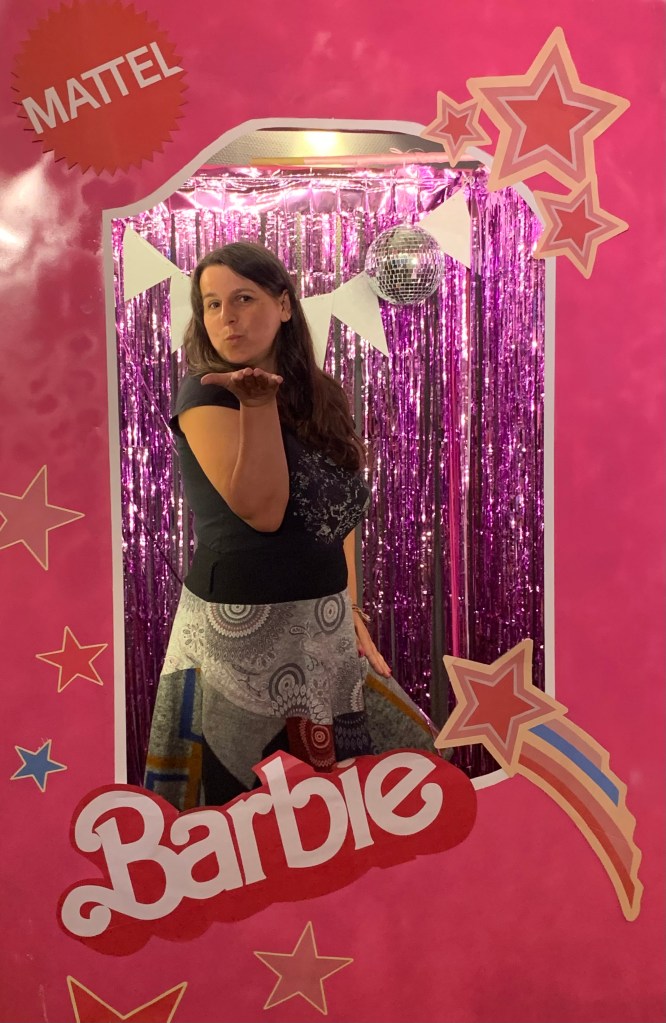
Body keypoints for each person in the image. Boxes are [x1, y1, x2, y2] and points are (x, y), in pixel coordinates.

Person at [144, 242, 438, 811]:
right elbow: (263, 510)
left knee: (363, 795)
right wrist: (256, 405)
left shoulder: (320, 396)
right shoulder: (206, 394)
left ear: (283, 305)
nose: (226, 317)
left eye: (243, 298)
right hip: (239, 635)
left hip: (320, 625)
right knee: (249, 813)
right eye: (211, 304)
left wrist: (350, 610)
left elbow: (339, 516)